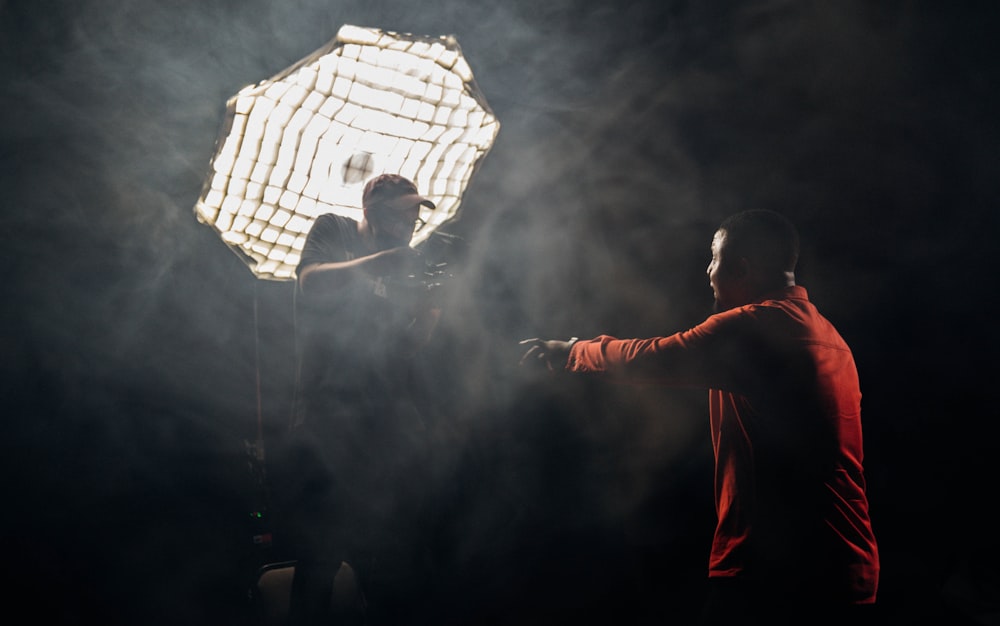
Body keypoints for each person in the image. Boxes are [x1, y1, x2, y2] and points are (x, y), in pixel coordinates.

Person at [520, 210, 879, 625]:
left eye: (713, 258)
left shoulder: (757, 327)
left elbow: (652, 357)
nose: (708, 271)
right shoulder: (831, 338)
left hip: (781, 575)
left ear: (741, 267)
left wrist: (569, 351)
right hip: (845, 567)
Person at [272, 174, 444, 626]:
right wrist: (379, 264)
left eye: (415, 213)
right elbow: (310, 281)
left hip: (383, 421)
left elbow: (401, 350)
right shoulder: (336, 230)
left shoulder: (410, 264)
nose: (410, 222)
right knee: (321, 551)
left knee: (392, 548)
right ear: (371, 210)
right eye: (401, 212)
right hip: (327, 415)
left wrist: (425, 321)